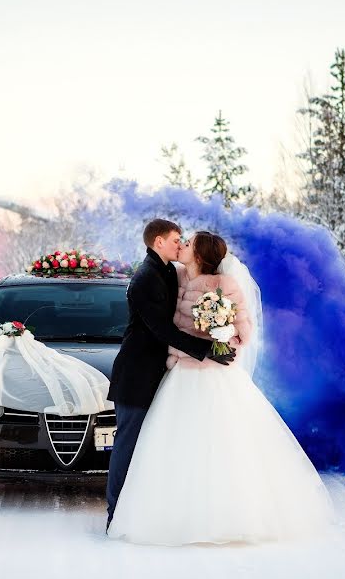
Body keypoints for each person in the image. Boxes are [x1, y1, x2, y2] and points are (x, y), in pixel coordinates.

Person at [107, 230, 335, 545]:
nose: (182, 245)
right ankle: (174, 516)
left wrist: (220, 334)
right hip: (179, 376)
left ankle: (227, 517)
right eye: (181, 241)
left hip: (213, 375)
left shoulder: (224, 286)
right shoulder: (177, 277)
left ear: (200, 254)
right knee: (173, 447)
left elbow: (242, 333)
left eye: (188, 243)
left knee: (221, 445)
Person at [105, 219, 235, 533]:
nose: (181, 244)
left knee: (156, 445)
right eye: (177, 239)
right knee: (128, 444)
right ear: (159, 242)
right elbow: (160, 329)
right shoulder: (145, 278)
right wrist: (205, 350)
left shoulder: (167, 270)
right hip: (137, 373)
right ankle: (115, 514)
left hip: (161, 373)